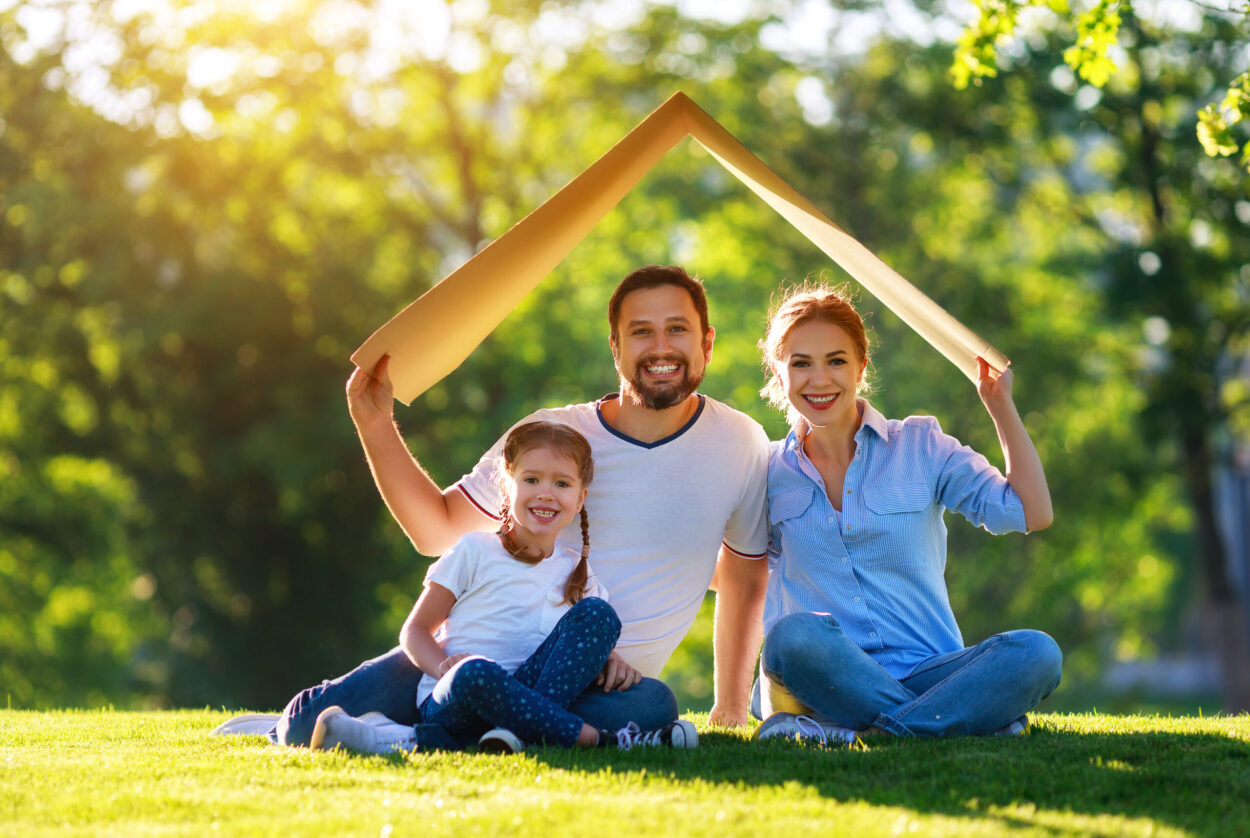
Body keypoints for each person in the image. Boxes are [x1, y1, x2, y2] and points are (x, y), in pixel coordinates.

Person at [275, 265, 770, 748]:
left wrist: (729, 707)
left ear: (706, 343)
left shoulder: (740, 442)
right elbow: (436, 531)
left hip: (592, 684)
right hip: (482, 652)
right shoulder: (552, 437)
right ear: (615, 348)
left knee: (652, 706)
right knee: (304, 729)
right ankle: (478, 730)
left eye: (676, 329)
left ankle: (437, 735)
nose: (660, 347)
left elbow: (745, 573)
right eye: (641, 332)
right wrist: (374, 422)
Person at [751, 282, 1062, 744]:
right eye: (801, 364)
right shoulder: (764, 470)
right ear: (779, 375)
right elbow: (735, 572)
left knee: (1038, 652)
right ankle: (963, 719)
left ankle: (866, 731)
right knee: (791, 637)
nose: (820, 380)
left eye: (836, 360)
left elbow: (1028, 512)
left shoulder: (920, 446)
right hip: (825, 678)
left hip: (930, 672)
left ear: (861, 366)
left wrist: (1000, 406)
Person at [311, 421, 697, 753]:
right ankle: (596, 741)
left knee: (614, 636)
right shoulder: (474, 549)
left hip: (529, 692)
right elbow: (414, 630)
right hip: (462, 693)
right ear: (506, 487)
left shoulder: (582, 577)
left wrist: (609, 660)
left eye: (561, 483)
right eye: (531, 480)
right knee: (477, 673)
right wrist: (443, 668)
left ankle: (489, 737)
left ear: (579, 499)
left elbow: (580, 647)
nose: (546, 493)